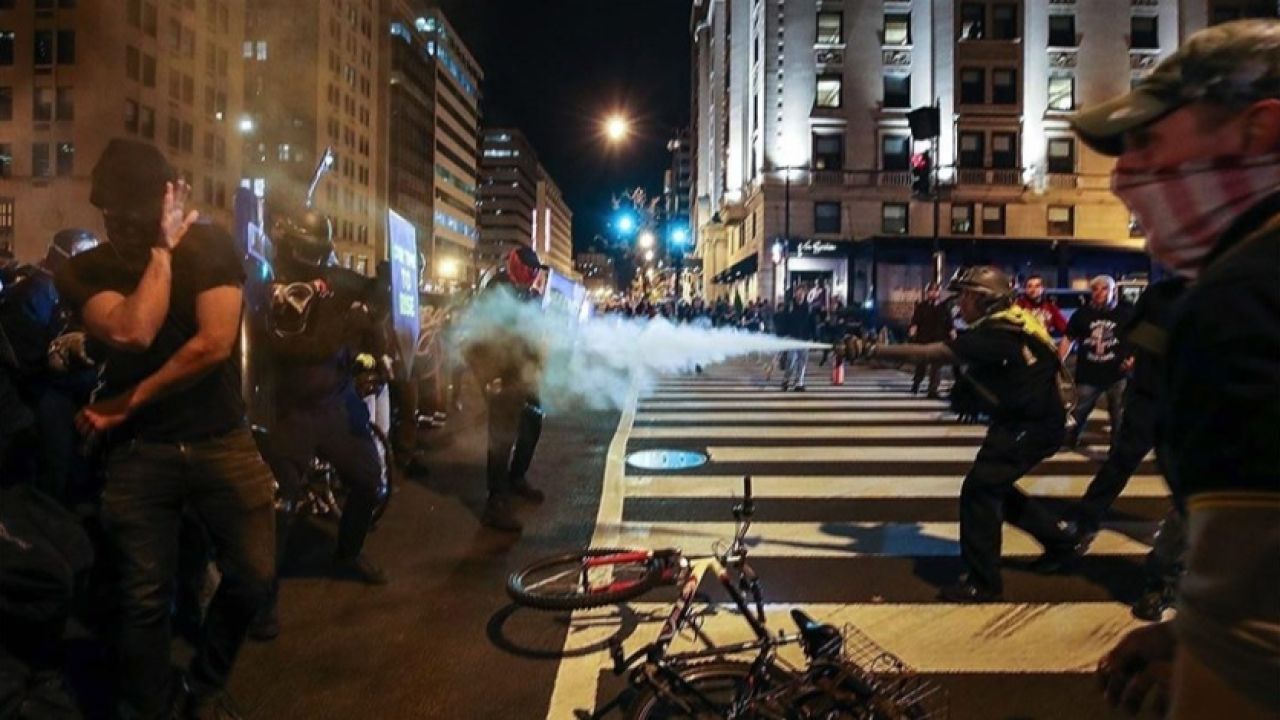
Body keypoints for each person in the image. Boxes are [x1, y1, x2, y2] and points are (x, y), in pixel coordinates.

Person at [1070, 19, 1280, 718]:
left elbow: (1253, 636)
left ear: (1258, 131)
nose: (1125, 176)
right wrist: (1187, 636)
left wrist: (1201, 668)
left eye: (1148, 141)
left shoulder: (1241, 302)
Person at [55, 138, 275, 719]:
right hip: (140, 453)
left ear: (168, 198)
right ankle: (153, 707)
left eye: (137, 212)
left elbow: (214, 344)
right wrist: (161, 253)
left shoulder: (212, 245)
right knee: (144, 598)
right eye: (113, 215)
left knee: (254, 575)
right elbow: (135, 330)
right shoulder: (84, 269)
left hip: (220, 439)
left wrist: (127, 400)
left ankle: (203, 685)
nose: (123, 226)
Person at [849, 267, 1087, 602]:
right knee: (995, 486)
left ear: (985, 300)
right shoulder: (1015, 322)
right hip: (1032, 422)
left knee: (979, 491)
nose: (960, 302)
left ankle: (983, 582)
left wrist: (871, 350)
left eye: (966, 296)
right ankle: (1063, 544)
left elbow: (931, 354)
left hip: (1027, 426)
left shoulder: (998, 335)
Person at [250, 208, 390, 641]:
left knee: (369, 480)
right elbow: (297, 348)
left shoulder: (335, 279)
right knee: (279, 506)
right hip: (290, 410)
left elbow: (376, 294)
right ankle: (262, 599)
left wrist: (385, 286)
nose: (313, 258)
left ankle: (348, 552)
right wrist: (349, 323)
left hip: (336, 402)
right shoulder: (268, 285)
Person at [0, 229, 100, 503]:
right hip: (42, 391)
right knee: (57, 458)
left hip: (66, 385)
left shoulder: (62, 290)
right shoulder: (34, 292)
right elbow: (31, 357)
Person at [462, 247, 548, 533]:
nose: (533, 276)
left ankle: (516, 476)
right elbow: (483, 335)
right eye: (529, 270)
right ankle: (495, 501)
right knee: (501, 435)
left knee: (532, 422)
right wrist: (489, 376)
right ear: (517, 266)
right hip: (499, 372)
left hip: (522, 372)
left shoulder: (526, 293)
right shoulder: (496, 289)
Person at [1060, 275, 1133, 450]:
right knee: (1077, 412)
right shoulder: (1082, 314)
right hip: (1089, 374)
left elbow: (1140, 338)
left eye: (1104, 289)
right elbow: (1068, 339)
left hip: (1118, 374)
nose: (1099, 293)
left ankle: (1116, 451)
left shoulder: (1127, 313)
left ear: (1114, 291)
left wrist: (1133, 359)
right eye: (1095, 289)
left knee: (1119, 416)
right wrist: (1059, 361)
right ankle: (1068, 440)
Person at [907, 282, 952, 397]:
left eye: (935, 291)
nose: (933, 293)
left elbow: (949, 323)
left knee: (936, 366)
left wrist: (952, 334)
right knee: (921, 364)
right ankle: (916, 383)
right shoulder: (922, 307)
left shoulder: (943, 307)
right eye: (931, 291)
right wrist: (912, 331)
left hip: (938, 340)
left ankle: (933, 389)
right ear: (927, 293)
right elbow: (915, 321)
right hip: (924, 339)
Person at [776, 286, 816, 391]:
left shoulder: (809, 308)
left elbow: (813, 323)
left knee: (802, 362)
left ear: (804, 295)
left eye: (801, 294)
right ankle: (786, 380)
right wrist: (783, 335)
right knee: (790, 361)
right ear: (795, 295)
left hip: (804, 339)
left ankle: (799, 383)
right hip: (792, 338)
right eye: (798, 294)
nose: (800, 296)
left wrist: (814, 337)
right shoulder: (789, 307)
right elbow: (783, 321)